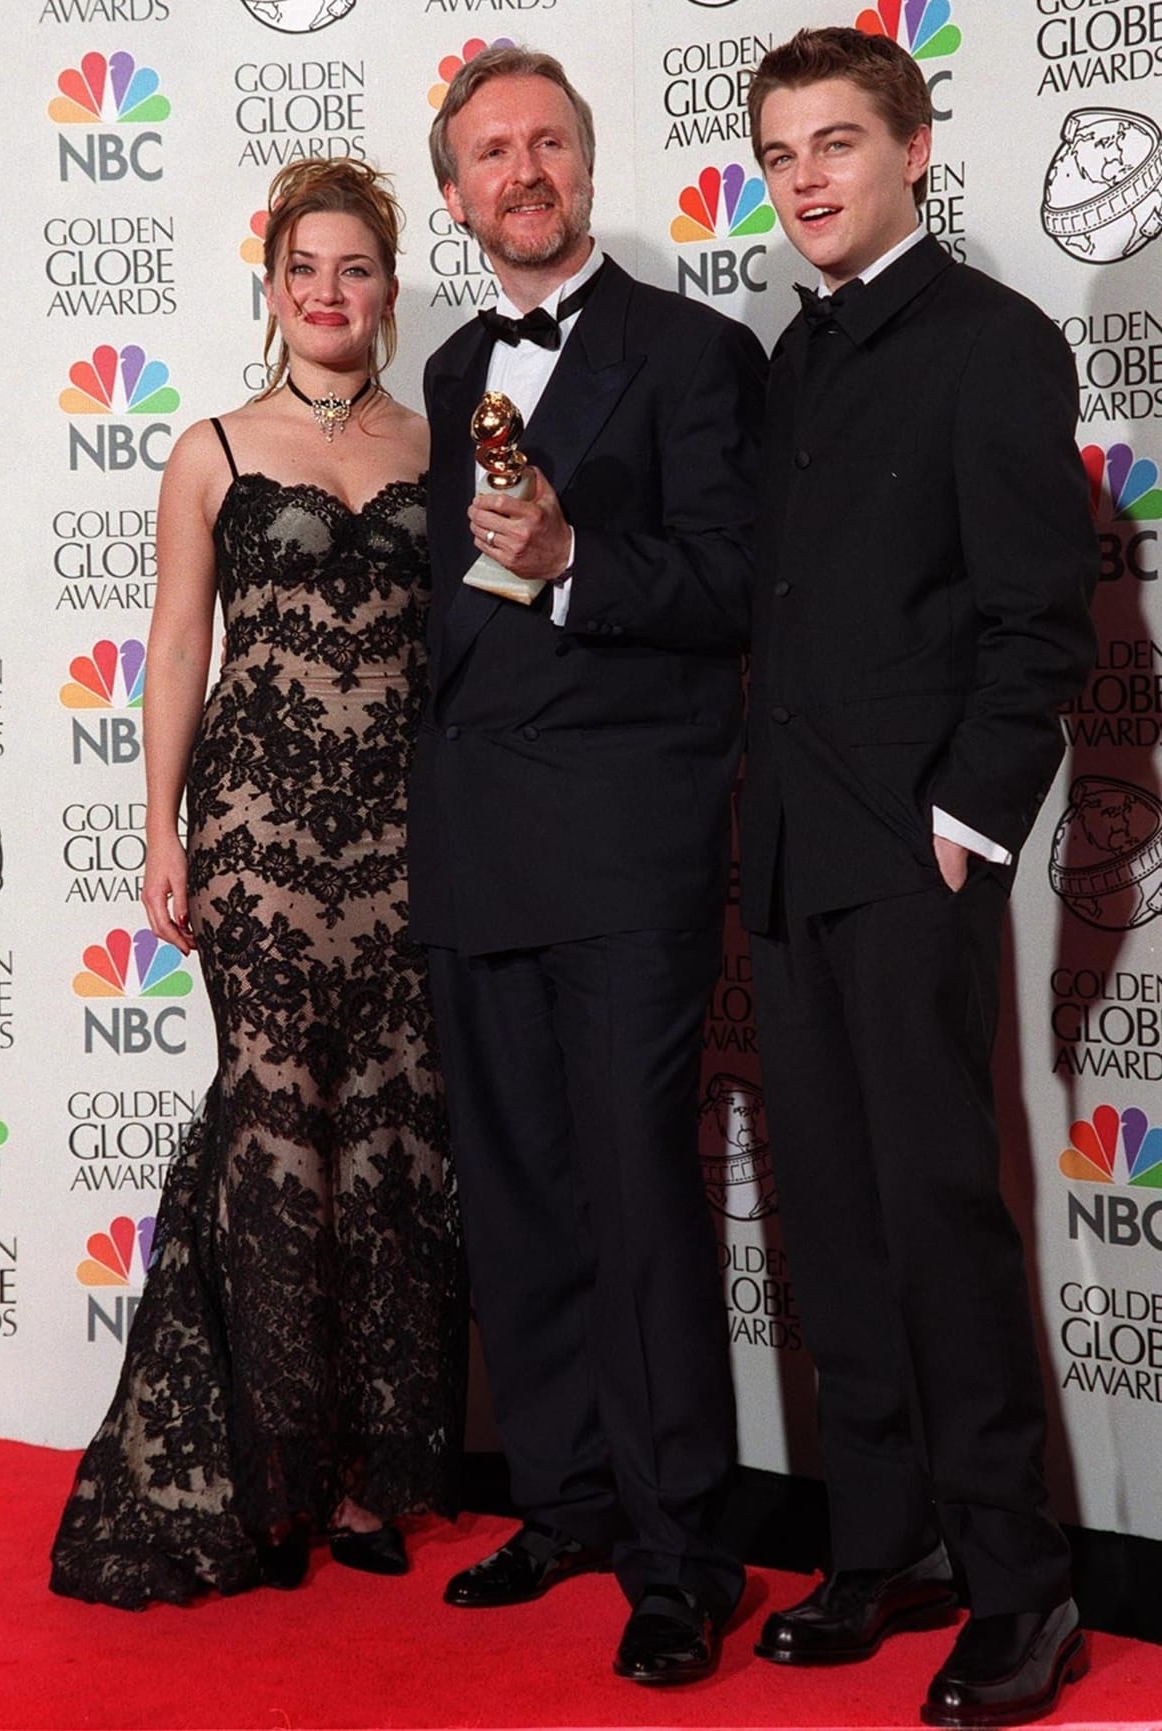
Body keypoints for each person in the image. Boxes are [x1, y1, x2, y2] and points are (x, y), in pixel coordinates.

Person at [740, 27, 1097, 1727]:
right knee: (832, 1214)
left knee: (943, 1221)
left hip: (909, 859)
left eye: (838, 144)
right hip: (792, 858)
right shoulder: (789, 364)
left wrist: (962, 824)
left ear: (913, 149)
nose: (807, 177)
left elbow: (1039, 624)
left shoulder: (993, 346)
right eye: (783, 153)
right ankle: (886, 1541)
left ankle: (1023, 1587)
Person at [50, 158, 466, 1610]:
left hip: (411, 832)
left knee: (395, 1137)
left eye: (356, 270)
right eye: (307, 270)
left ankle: (372, 1472)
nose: (331, 294)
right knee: (277, 1122)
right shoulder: (214, 447)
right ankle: (271, 1472)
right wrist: (160, 830)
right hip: (260, 834)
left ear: (390, 289)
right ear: (274, 283)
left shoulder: (443, 444)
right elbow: (178, 647)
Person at [407, 44, 767, 1687]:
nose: (522, 171)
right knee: (525, 1189)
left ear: (586, 161)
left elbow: (731, 585)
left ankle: (681, 1549)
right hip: (478, 839)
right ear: (457, 193)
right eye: (491, 153)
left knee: (635, 1195)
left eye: (546, 141)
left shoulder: (695, 353)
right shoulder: (452, 365)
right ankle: (559, 1502)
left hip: (628, 841)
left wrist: (572, 563)